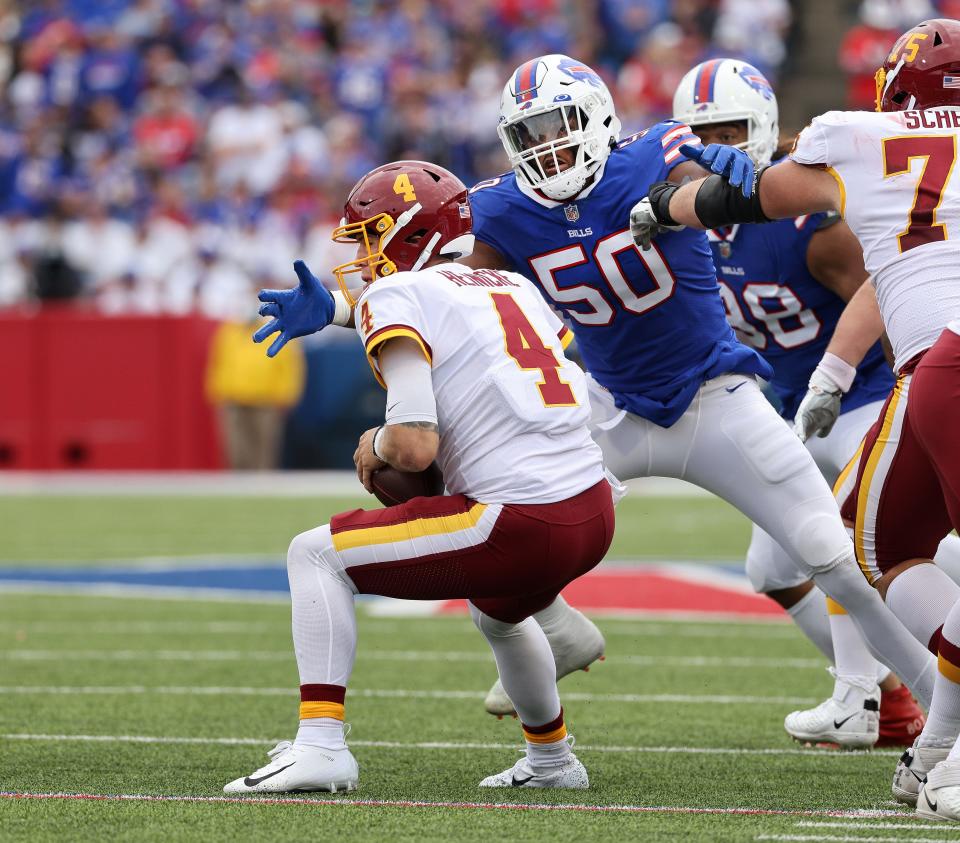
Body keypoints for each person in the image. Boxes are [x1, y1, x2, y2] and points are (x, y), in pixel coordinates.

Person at [256, 53, 937, 727]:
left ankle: (941, 706)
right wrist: (347, 312)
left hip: (714, 396)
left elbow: (697, 176)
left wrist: (736, 178)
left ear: (598, 117)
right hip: (609, 410)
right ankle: (555, 626)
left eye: (559, 125)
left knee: (834, 553)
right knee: (490, 502)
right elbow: (443, 297)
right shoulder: (498, 208)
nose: (549, 147)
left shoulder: (654, 154)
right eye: (531, 134)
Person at [633, 17, 960, 821]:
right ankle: (914, 724)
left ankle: (934, 735)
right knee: (859, 539)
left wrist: (665, 208)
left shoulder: (851, 138)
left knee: (863, 538)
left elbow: (749, 193)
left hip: (922, 372)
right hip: (904, 372)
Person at [225, 160, 616, 793]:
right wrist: (336, 312)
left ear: (413, 234)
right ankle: (551, 761)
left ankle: (321, 745)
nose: (362, 256)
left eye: (372, 236)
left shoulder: (395, 295)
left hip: (518, 520)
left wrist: (374, 442)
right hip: (593, 510)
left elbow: (412, 448)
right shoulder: (512, 288)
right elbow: (453, 318)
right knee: (498, 613)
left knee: (315, 556)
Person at [672, 57, 925, 749]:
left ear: (760, 127)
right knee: (772, 569)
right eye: (702, 131)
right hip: (795, 407)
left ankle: (861, 697)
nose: (716, 144)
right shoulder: (691, 215)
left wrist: (857, 383)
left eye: (729, 128)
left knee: (842, 538)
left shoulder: (808, 218)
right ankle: (891, 695)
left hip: (868, 394)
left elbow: (887, 294)